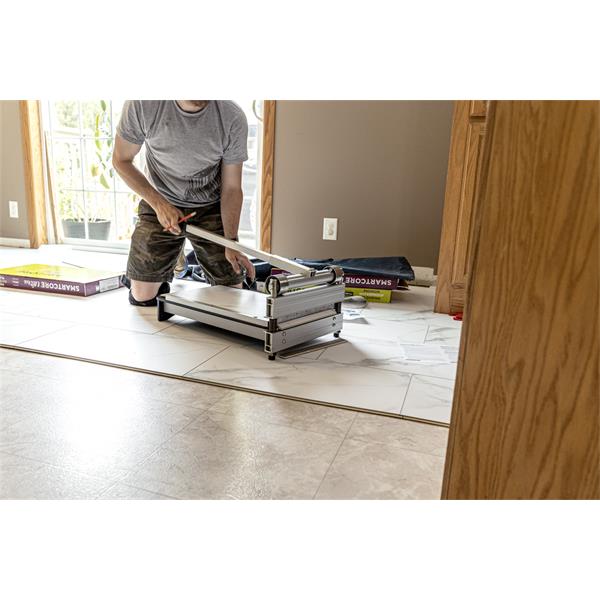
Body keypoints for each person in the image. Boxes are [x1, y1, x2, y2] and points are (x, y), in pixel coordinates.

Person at [112, 100, 256, 306]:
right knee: (142, 297)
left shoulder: (231, 116)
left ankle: (177, 254)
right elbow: (120, 160)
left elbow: (232, 188)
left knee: (232, 294)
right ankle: (167, 260)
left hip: (210, 206)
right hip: (159, 201)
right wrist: (160, 205)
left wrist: (231, 241)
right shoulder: (143, 104)